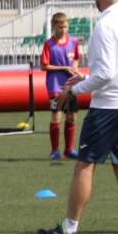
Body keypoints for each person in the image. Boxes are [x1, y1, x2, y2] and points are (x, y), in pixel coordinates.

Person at [36, 0, 118, 234]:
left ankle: (69, 230)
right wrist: (86, 78)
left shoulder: (105, 25)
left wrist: (74, 90)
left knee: (85, 166)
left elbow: (107, 73)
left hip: (109, 106)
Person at [40, 13, 83, 160]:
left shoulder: (73, 41)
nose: (63, 30)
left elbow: (76, 58)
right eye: (60, 27)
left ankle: (69, 150)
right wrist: (63, 68)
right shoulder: (49, 44)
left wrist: (74, 67)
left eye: (65, 27)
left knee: (72, 116)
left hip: (71, 86)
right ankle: (54, 151)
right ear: (53, 26)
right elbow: (44, 66)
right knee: (56, 116)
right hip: (55, 86)